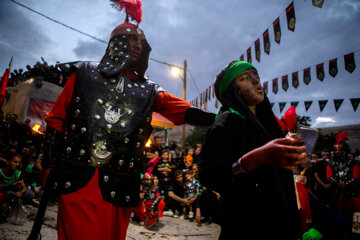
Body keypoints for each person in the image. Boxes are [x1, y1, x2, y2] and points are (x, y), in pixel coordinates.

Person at [30, 1, 215, 240]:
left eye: (141, 42)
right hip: (80, 178)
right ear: (115, 44)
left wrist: (220, 117)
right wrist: (48, 165)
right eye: (131, 41)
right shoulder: (85, 73)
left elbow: (181, 110)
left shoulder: (149, 89)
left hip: (121, 184)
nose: (137, 45)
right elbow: (56, 121)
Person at [199, 60, 308, 239]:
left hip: (278, 222)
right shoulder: (227, 121)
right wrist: (256, 157)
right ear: (233, 90)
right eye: (245, 78)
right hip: (247, 225)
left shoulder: (268, 127)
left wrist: (294, 155)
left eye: (256, 76)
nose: (256, 81)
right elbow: (208, 174)